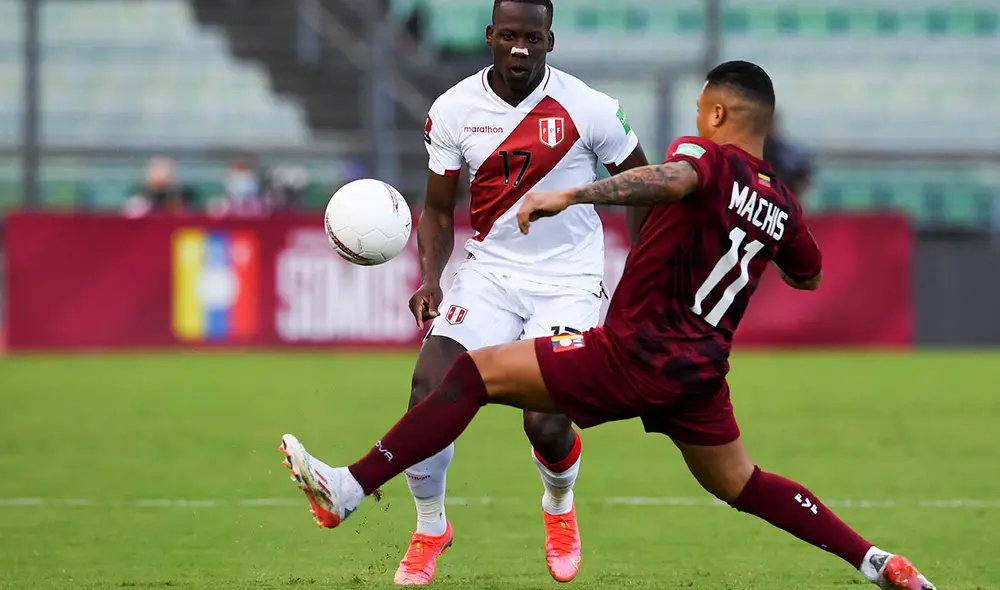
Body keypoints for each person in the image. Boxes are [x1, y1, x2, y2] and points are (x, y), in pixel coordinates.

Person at [279, 61, 935, 590]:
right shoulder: (782, 203)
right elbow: (809, 273)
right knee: (744, 483)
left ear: (718, 114)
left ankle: (350, 486)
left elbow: (672, 177)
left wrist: (571, 192)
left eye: (703, 108)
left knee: (469, 375)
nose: (698, 119)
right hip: (700, 377)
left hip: (632, 354)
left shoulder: (701, 158)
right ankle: (878, 563)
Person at [286, 0, 648, 585]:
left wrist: (639, 289)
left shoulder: (592, 109)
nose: (520, 48)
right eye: (509, 35)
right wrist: (430, 276)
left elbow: (642, 189)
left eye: (532, 37)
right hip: (490, 275)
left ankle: (558, 505)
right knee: (428, 388)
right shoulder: (453, 109)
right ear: (490, 37)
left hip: (569, 283)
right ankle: (431, 526)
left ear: (550, 40)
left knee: (545, 421)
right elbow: (435, 209)